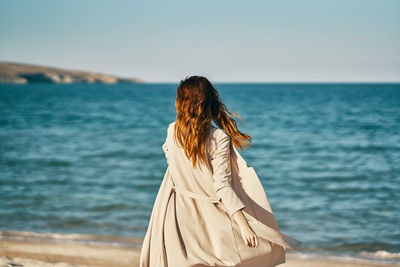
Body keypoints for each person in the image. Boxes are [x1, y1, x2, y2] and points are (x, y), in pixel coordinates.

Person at [139, 76, 301, 267]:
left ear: (181, 102)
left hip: (177, 216)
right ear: (209, 101)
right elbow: (222, 186)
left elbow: (171, 161)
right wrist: (244, 225)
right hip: (210, 219)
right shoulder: (218, 137)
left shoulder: (171, 131)